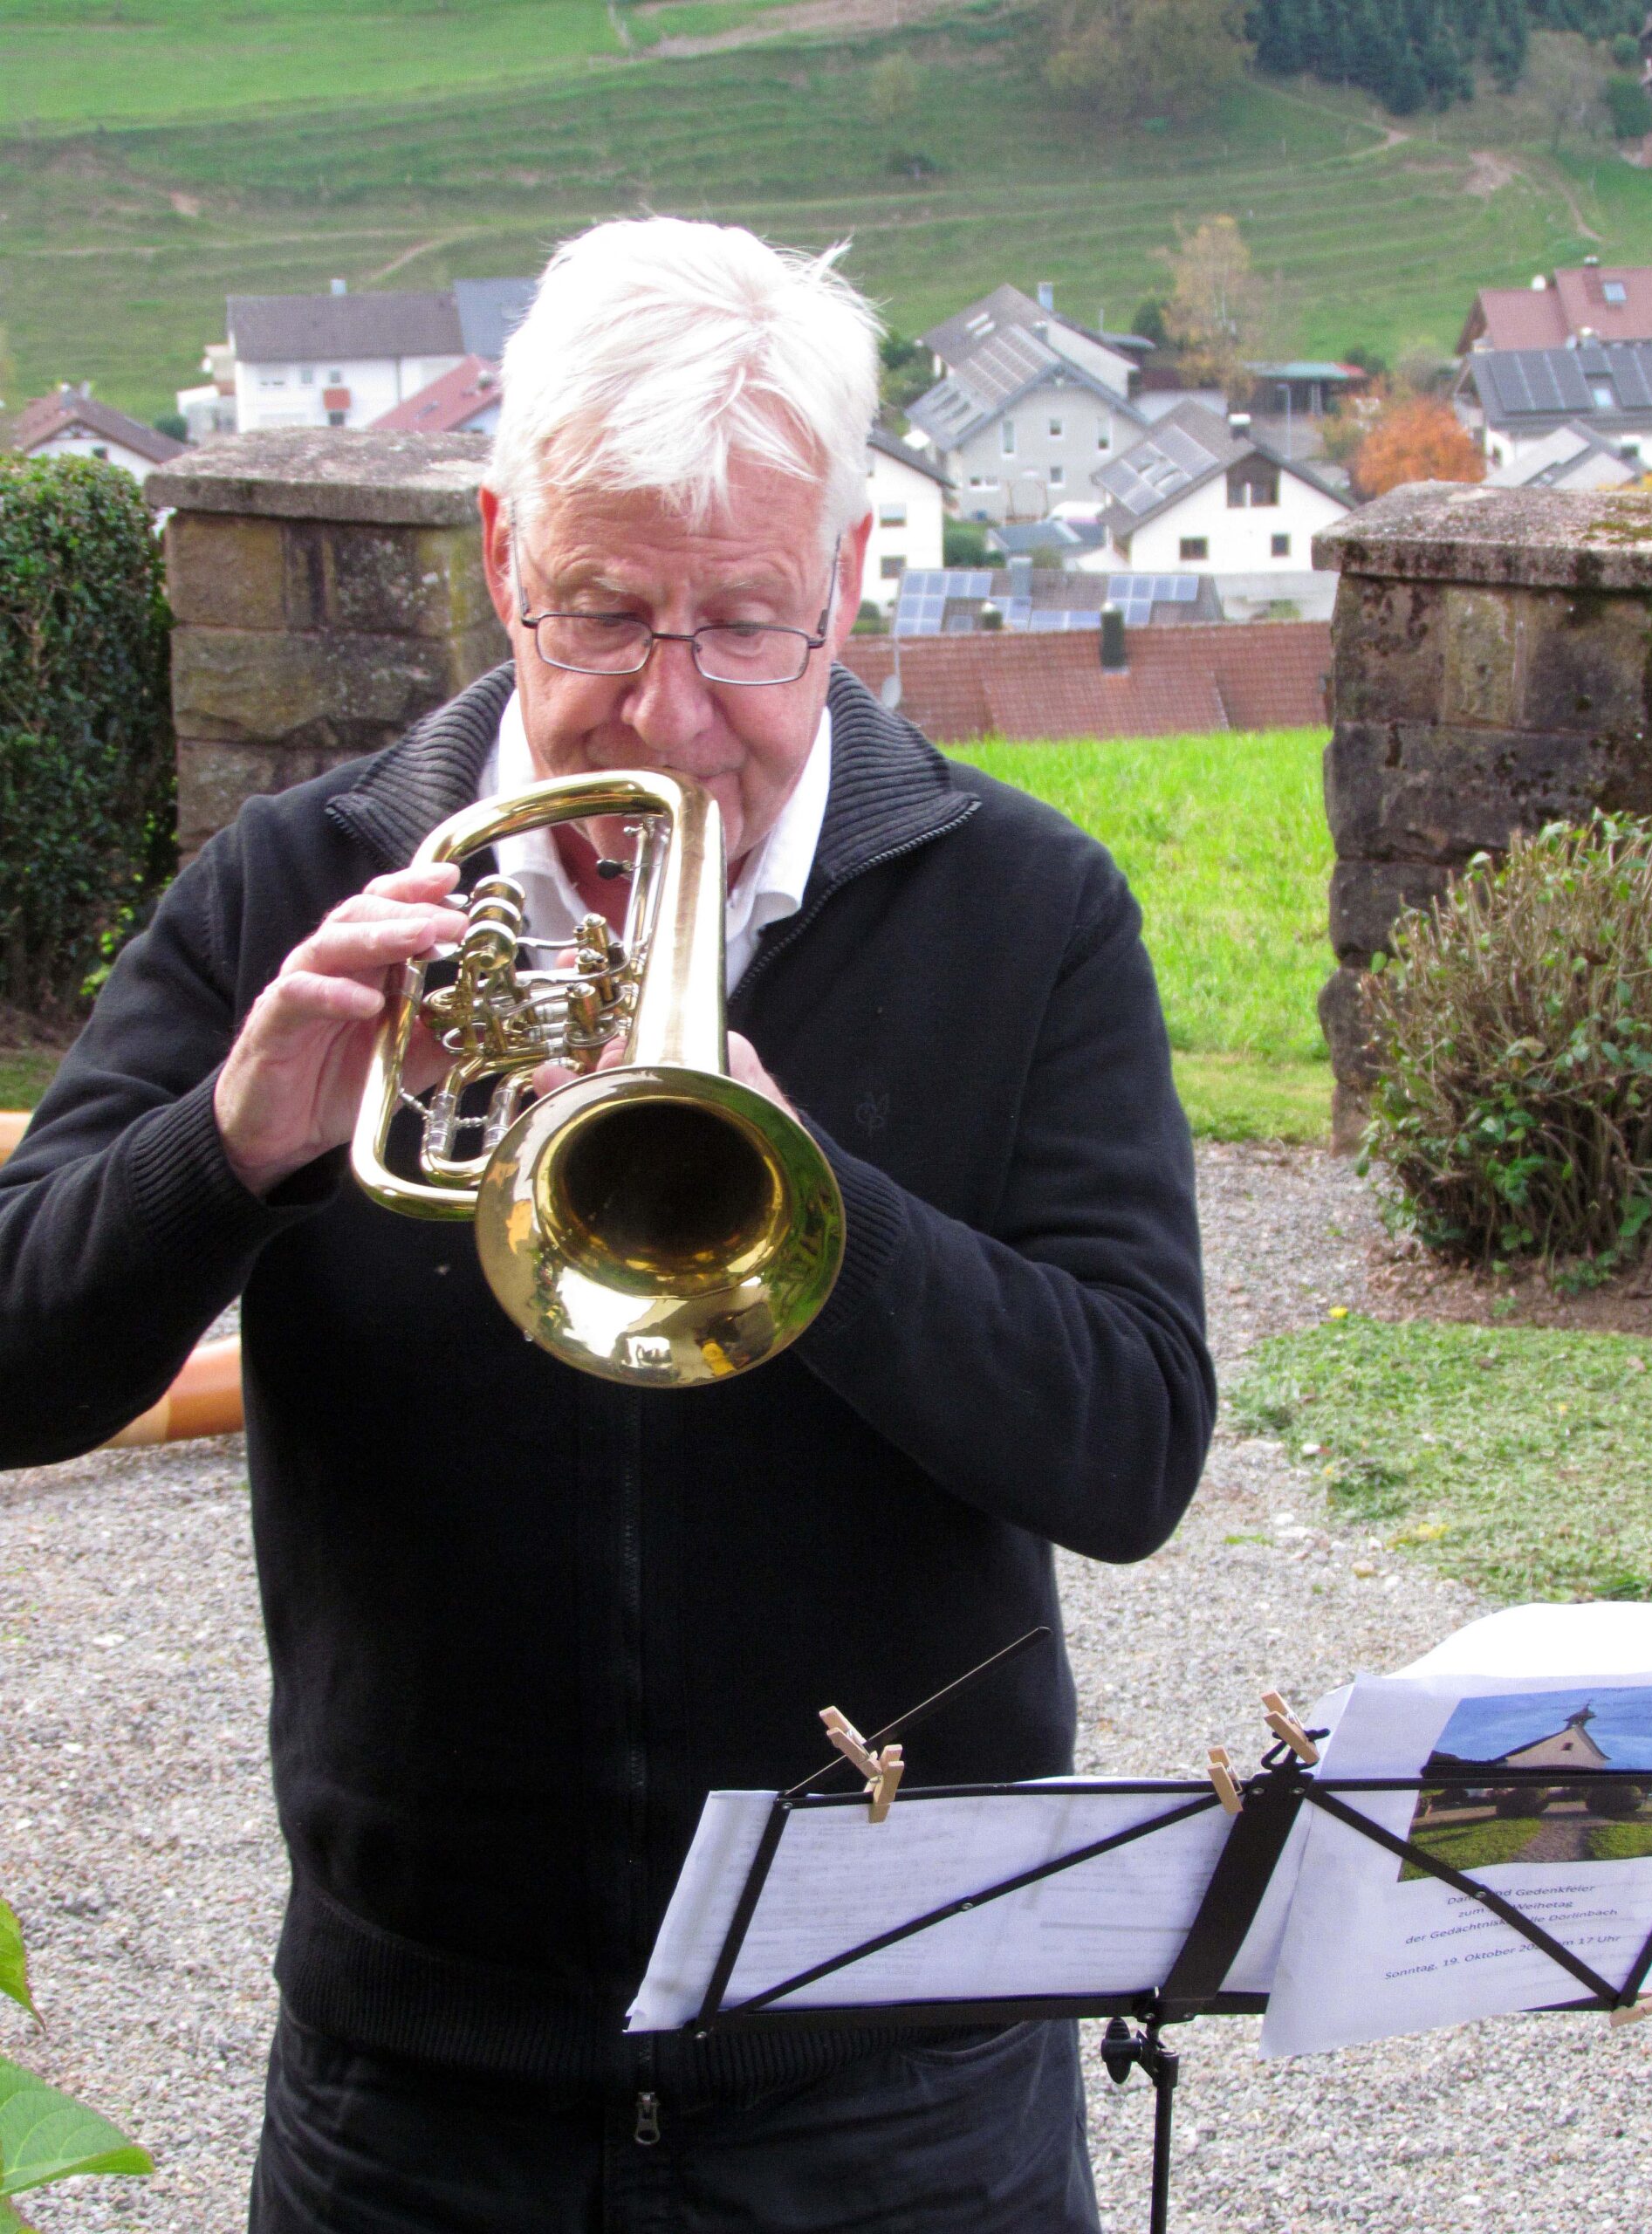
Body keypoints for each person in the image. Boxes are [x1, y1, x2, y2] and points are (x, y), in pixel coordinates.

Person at [0, 218, 1215, 2231]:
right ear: (500, 558)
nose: (665, 708)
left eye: (742, 623)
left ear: (845, 582)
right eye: (599, 614)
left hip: (894, 2079)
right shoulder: (301, 882)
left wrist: (813, 1196)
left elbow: (1135, 1440)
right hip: (424, 2083)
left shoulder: (1026, 910)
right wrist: (223, 1145)